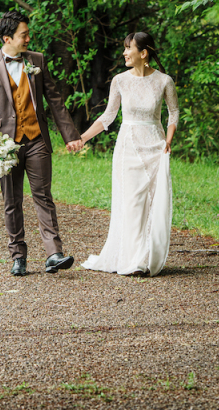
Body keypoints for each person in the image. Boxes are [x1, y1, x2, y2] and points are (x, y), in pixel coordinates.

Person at [0, 11, 83, 276]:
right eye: (23, 35)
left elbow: (54, 100)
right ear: (7, 38)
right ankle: (18, 256)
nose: (28, 39)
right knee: (12, 201)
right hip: (5, 145)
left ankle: (54, 254)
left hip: (37, 140)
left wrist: (70, 135)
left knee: (43, 196)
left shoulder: (37, 60)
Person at [79, 30, 179, 276]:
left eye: (128, 48)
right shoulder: (120, 81)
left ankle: (144, 259)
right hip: (129, 148)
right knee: (132, 203)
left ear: (143, 53)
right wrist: (82, 138)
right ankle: (132, 259)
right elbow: (108, 116)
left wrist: (168, 139)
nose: (124, 53)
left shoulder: (164, 81)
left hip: (155, 147)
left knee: (152, 203)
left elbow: (173, 113)